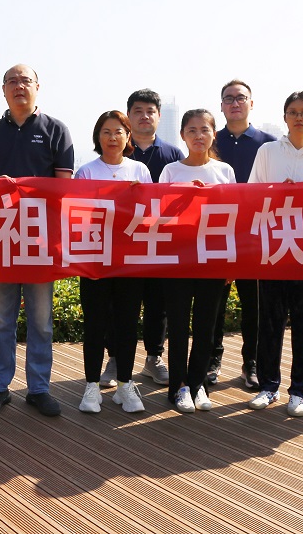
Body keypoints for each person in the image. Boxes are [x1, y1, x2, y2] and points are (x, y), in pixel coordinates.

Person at [0, 64, 74, 417]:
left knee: (41, 320)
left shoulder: (56, 130)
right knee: (1, 319)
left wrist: (27, 189)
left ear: (37, 87)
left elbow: (63, 188)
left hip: (40, 241)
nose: (19, 86)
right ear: (3, 90)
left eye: (25, 80)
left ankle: (39, 389)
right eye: (12, 81)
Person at [246, 93, 303, 417]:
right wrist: (277, 192)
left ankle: (299, 391)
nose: (299, 117)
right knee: (269, 322)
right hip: (274, 248)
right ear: (284, 117)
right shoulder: (268, 151)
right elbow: (252, 194)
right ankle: (268, 386)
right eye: (293, 112)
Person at [158, 109, 236, 414]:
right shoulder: (170, 171)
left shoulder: (224, 171)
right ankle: (178, 386)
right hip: (178, 259)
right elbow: (160, 216)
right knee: (178, 325)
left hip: (213, 258)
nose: (198, 136)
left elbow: (234, 218)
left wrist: (231, 262)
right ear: (182, 135)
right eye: (192, 130)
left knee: (206, 326)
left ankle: (198, 382)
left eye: (204, 130)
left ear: (214, 134)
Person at [107, 88, 184, 389]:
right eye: (137, 111)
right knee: (119, 303)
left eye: (150, 111)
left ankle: (154, 357)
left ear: (159, 116)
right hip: (122, 241)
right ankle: (115, 358)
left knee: (157, 301)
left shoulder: (172, 154)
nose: (144, 116)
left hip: (159, 240)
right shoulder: (117, 151)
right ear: (128, 116)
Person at [75, 111, 151, 414]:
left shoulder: (139, 170)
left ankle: (124, 384)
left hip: (130, 261)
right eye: (106, 132)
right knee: (95, 324)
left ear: (128, 136)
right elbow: (78, 215)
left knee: (127, 324)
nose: (112, 137)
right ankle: (91, 386)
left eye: (118, 131)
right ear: (98, 136)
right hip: (94, 260)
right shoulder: (86, 172)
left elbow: (149, 214)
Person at [212, 79, 276, 390]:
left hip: (256, 233)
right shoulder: (209, 140)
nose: (235, 103)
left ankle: (251, 363)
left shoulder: (269, 144)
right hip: (217, 233)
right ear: (221, 106)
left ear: (251, 103)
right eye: (229, 99)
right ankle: (212, 360)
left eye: (241, 98)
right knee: (214, 302)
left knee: (255, 305)